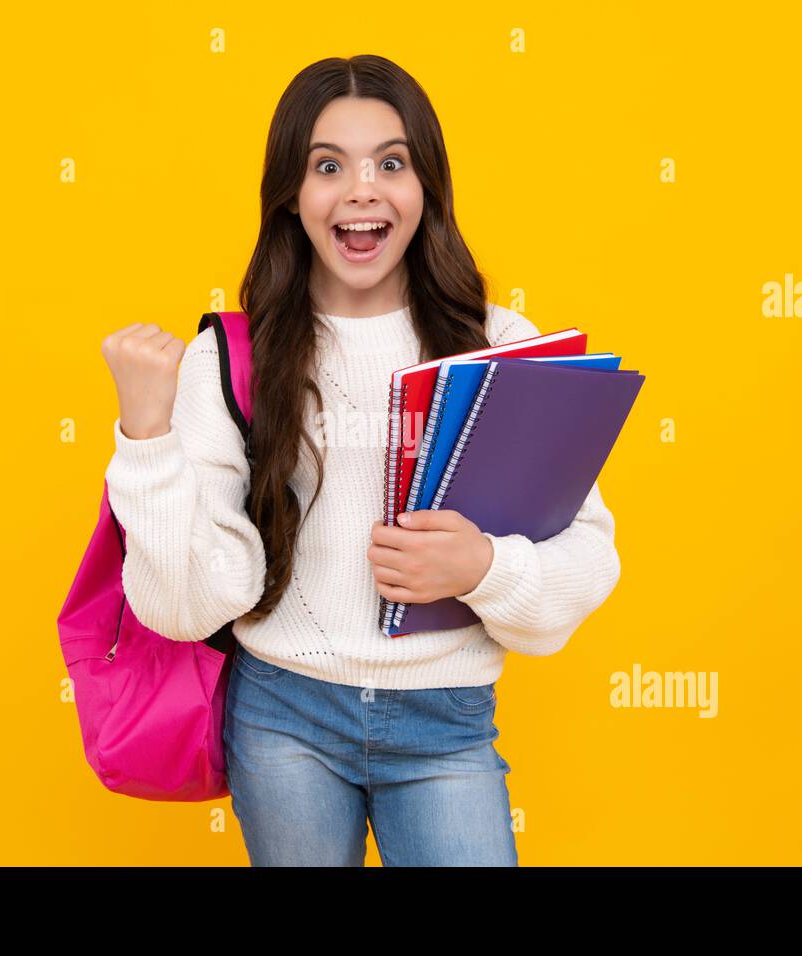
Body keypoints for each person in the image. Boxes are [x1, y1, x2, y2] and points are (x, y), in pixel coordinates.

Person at [99, 54, 621, 866]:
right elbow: (186, 608)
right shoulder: (230, 360)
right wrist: (145, 442)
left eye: (391, 162)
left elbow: (591, 559)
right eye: (327, 165)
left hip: (446, 722)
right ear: (291, 196)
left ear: (427, 188)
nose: (362, 190)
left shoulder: (503, 348)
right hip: (283, 719)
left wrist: (482, 566)